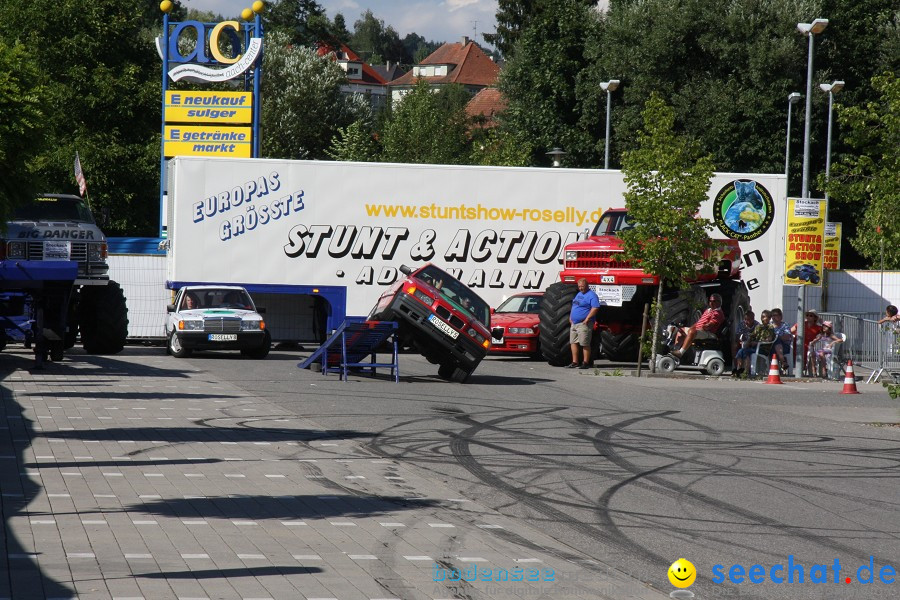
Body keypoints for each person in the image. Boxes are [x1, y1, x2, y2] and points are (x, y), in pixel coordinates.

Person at [671, 293, 725, 359]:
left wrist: (704, 327)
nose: (711, 303)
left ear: (719, 302)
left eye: (714, 301)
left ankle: (680, 353)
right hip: (700, 330)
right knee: (681, 330)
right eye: (710, 301)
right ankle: (676, 350)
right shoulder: (708, 310)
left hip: (709, 333)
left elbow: (711, 325)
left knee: (692, 332)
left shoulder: (718, 313)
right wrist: (692, 327)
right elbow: (699, 322)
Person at [567, 278, 600, 369]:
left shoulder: (592, 295)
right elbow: (574, 306)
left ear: (587, 285)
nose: (581, 288)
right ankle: (575, 362)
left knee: (584, 343)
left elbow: (595, 307)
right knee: (573, 342)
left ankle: (585, 362)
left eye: (582, 286)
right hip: (574, 323)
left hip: (584, 323)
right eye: (579, 286)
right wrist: (570, 317)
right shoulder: (579, 294)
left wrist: (587, 319)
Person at [730, 310, 759, 377]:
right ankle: (736, 368)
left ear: (753, 319)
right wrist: (739, 340)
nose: (746, 321)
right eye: (745, 319)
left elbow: (759, 339)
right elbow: (737, 335)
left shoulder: (757, 326)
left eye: (748, 319)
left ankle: (744, 370)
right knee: (734, 346)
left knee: (744, 351)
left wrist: (751, 342)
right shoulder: (742, 324)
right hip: (743, 343)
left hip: (753, 345)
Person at [769, 308, 793, 372]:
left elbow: (787, 336)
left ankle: (781, 363)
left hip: (784, 346)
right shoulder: (769, 325)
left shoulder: (785, 325)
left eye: (775, 315)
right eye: (772, 315)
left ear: (780, 316)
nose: (773, 317)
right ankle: (783, 361)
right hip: (771, 346)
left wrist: (777, 337)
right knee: (776, 341)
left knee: (777, 340)